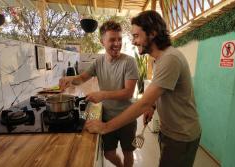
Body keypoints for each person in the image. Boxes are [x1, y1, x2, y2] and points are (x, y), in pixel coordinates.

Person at [85, 10, 201, 167]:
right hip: (169, 131)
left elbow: (143, 103)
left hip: (181, 135)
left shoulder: (170, 59)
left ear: (152, 34)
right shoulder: (159, 59)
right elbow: (161, 91)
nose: (133, 41)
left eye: (136, 36)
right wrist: (153, 105)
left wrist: (105, 127)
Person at [59, 20, 139, 167]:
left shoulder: (130, 62)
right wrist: (69, 79)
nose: (117, 43)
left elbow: (128, 93)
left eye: (119, 39)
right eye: (112, 40)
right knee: (109, 154)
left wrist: (102, 95)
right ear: (102, 41)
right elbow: (82, 78)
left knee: (128, 152)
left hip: (127, 117)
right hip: (107, 116)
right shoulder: (98, 62)